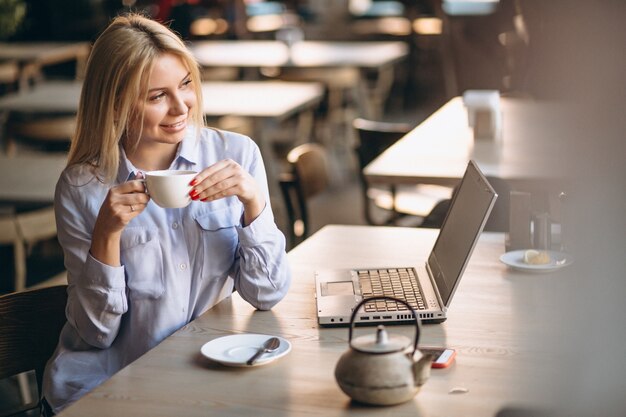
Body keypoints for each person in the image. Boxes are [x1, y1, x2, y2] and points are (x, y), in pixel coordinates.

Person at [41, 13, 291, 414]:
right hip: (110, 387)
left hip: (202, 374)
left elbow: (267, 294)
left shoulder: (237, 156)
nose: (181, 107)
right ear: (117, 103)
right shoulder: (82, 188)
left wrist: (253, 204)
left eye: (185, 85)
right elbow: (95, 334)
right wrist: (106, 236)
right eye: (157, 96)